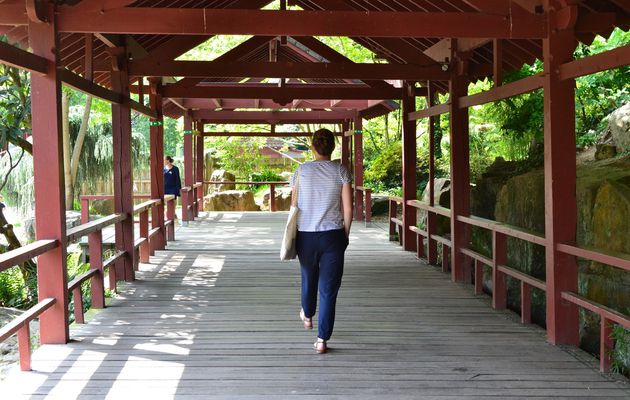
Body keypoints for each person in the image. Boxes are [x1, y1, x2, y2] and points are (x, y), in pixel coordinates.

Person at [290, 128, 353, 354]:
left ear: (314, 147)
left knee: (309, 278)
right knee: (329, 290)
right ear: (332, 147)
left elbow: (293, 204)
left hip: (306, 235)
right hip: (333, 236)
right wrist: (345, 235)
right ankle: (322, 340)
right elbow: (348, 207)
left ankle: (307, 315)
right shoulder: (341, 171)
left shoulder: (301, 171)